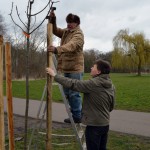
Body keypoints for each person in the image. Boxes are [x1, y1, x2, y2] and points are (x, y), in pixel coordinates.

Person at [46, 59, 115, 150]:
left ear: (98, 71)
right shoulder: (111, 85)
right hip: (105, 124)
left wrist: (55, 75)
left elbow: (74, 84)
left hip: (94, 126)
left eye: (93, 67)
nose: (91, 68)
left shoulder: (93, 84)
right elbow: (111, 106)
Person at [47, 11, 84, 123]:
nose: (68, 24)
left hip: (75, 69)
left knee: (74, 94)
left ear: (77, 23)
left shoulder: (78, 35)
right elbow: (55, 30)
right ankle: (75, 114)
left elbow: (71, 45)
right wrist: (53, 20)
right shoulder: (67, 32)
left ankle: (77, 116)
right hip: (66, 68)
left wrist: (57, 49)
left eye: (71, 22)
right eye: (68, 22)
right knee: (67, 94)